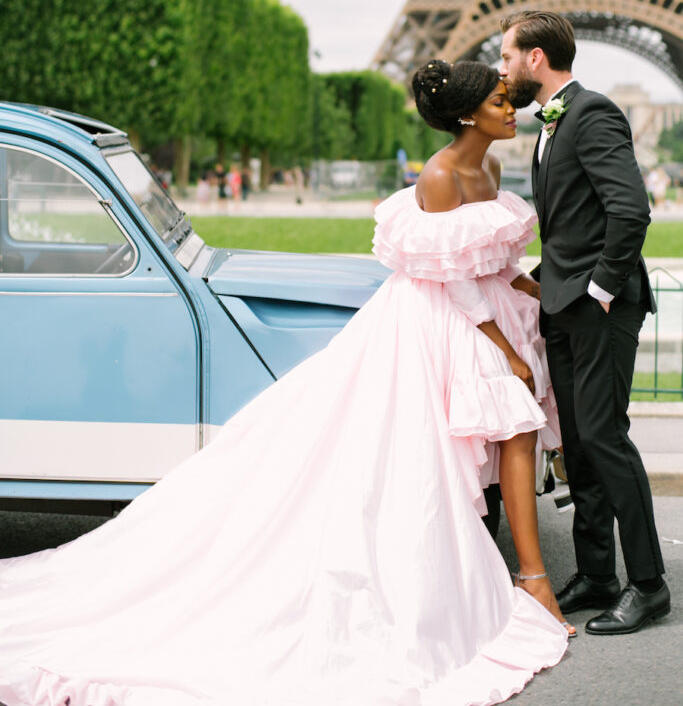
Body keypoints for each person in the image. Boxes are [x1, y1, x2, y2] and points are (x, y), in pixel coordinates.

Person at [0, 61, 569, 706]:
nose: (512, 107)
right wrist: (505, 345)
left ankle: (522, 577)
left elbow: (485, 257)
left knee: (498, 436)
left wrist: (534, 289)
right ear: (471, 114)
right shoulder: (439, 175)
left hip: (471, 312)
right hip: (447, 320)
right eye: (501, 100)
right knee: (438, 452)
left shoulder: (490, 168)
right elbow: (454, 276)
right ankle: (523, 579)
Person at [500, 9, 670, 636]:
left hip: (600, 307)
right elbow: (574, 224)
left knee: (604, 437)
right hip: (565, 304)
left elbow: (630, 210)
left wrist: (599, 288)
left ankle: (648, 585)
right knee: (578, 443)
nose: (503, 69)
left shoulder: (592, 112)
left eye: (507, 57)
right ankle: (598, 574)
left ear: (535, 59)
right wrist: (542, 281)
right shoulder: (552, 123)